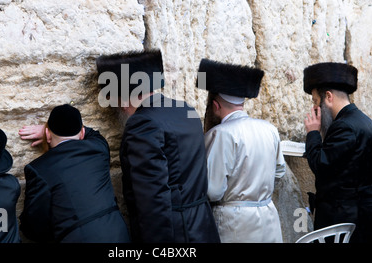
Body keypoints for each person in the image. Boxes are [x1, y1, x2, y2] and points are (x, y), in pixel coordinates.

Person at [95, 49, 220, 243]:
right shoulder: (185, 110)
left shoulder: (142, 124)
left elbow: (153, 201)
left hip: (175, 234)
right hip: (202, 225)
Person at [196, 58, 286, 243]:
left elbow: (213, 191)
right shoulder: (269, 128)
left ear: (215, 106)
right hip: (268, 215)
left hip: (235, 223)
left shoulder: (220, 134)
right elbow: (280, 171)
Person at [19, 104, 130, 243]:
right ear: (82, 133)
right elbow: (93, 133)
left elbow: (34, 224)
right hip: (117, 235)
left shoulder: (38, 169)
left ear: (48, 135)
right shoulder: (99, 147)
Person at [303, 62, 372, 243]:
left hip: (344, 219)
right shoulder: (364, 120)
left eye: (315, 101)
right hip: (361, 216)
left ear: (328, 96)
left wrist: (313, 132)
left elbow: (320, 165)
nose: (315, 108)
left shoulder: (343, 126)